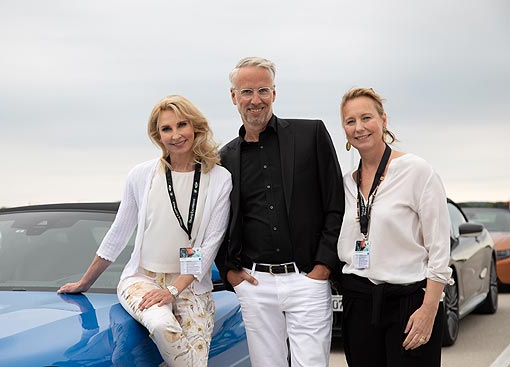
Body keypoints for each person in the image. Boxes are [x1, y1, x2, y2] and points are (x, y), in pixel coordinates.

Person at [58, 94, 232, 367]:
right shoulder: (141, 175)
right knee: (163, 326)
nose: (175, 135)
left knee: (197, 359)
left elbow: (209, 245)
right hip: (142, 279)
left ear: (195, 127)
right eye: (166, 129)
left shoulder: (219, 179)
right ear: (157, 135)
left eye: (181, 125)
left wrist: (173, 290)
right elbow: (118, 233)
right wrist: (85, 282)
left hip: (190, 285)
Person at [215, 56, 345, 367]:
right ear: (233, 96)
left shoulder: (310, 135)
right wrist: (231, 273)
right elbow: (216, 223)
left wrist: (322, 268)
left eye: (262, 90)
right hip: (254, 284)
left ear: (274, 92)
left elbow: (335, 203)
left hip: (307, 279)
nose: (255, 100)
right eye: (246, 92)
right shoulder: (224, 157)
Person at [337, 87, 452, 367]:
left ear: (383, 120)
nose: (359, 127)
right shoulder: (345, 183)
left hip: (408, 303)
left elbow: (439, 249)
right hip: (359, 303)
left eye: (366, 118)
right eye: (350, 121)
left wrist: (428, 310)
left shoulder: (417, 171)